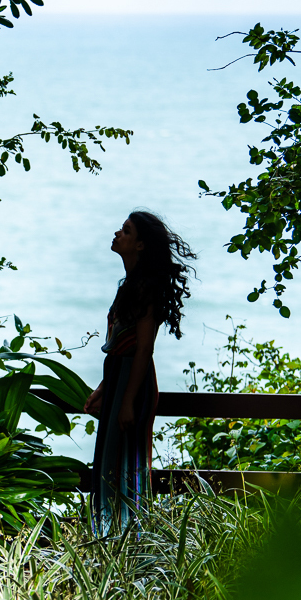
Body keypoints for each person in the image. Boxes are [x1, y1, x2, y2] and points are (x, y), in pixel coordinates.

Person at [83, 210, 195, 535]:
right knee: (108, 460)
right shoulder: (128, 287)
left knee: (129, 463)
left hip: (134, 382)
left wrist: (128, 400)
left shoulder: (146, 290)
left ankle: (131, 540)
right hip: (119, 379)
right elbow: (119, 345)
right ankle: (107, 537)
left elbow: (144, 349)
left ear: (141, 245)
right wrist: (104, 389)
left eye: (126, 231)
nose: (118, 234)